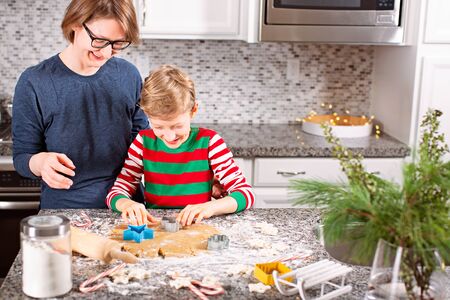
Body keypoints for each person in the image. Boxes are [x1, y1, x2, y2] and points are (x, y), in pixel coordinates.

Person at [12, 0, 150, 208]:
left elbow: (144, 143)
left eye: (117, 44)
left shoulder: (128, 74)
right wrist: (41, 163)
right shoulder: (34, 82)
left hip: (128, 209)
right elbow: (22, 157)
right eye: (99, 40)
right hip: (66, 212)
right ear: (75, 23)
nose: (105, 52)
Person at [106, 65, 255, 226]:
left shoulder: (210, 142)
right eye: (158, 127)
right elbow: (116, 192)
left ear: (193, 110)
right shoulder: (143, 142)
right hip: (156, 227)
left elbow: (246, 194)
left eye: (177, 126)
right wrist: (127, 204)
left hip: (198, 226)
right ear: (147, 116)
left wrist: (211, 207)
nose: (169, 136)